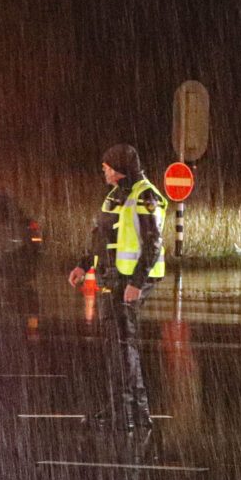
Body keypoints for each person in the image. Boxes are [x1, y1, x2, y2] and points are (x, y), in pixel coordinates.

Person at [67, 144, 165, 431]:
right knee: (116, 349)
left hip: (128, 283)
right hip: (111, 281)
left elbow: (154, 242)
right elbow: (102, 239)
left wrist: (136, 283)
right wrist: (84, 265)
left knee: (124, 348)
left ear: (120, 168)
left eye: (108, 166)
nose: (104, 170)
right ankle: (123, 410)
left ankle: (130, 415)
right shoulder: (114, 196)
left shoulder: (144, 195)